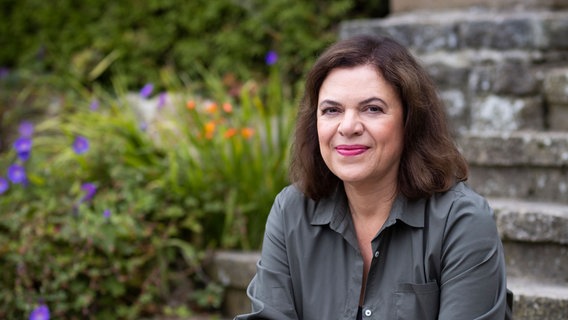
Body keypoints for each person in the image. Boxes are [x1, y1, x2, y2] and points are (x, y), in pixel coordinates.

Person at [235, 35, 508, 319]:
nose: (348, 126)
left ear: (410, 121)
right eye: (331, 110)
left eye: (372, 108)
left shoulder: (461, 222)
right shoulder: (291, 212)